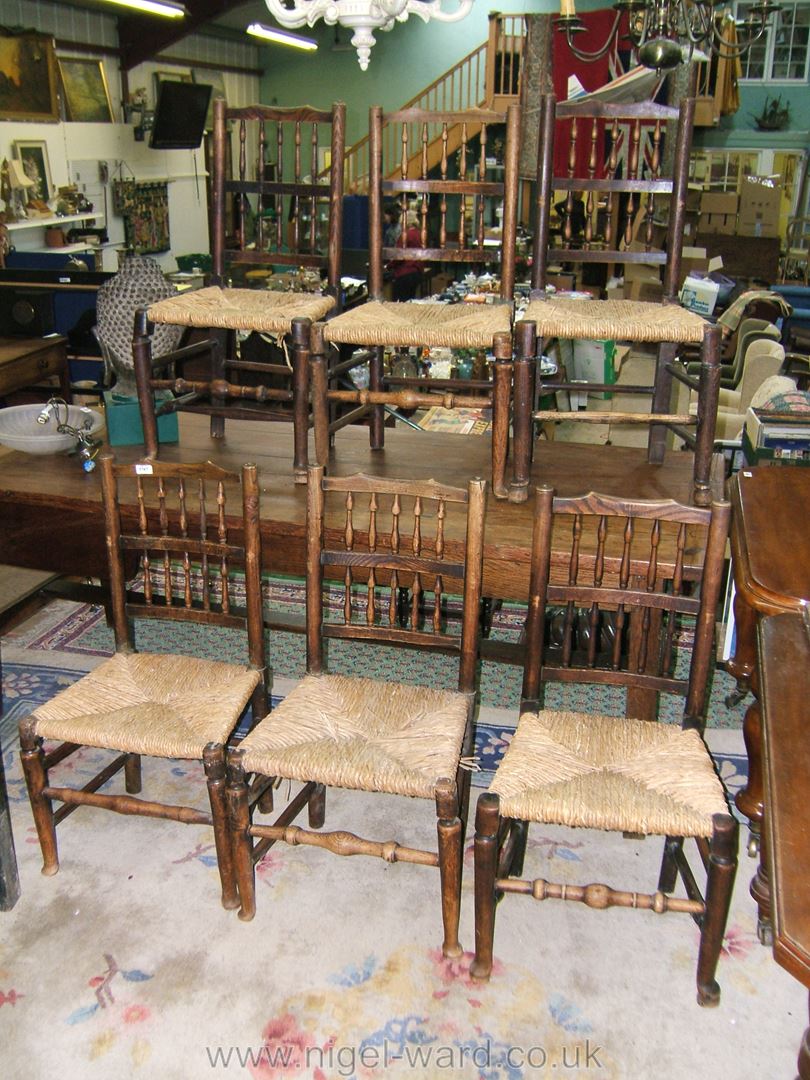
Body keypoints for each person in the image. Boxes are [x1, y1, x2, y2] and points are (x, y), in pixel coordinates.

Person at [388, 209, 423, 301]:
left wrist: (389, 266)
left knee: (400, 302)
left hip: (404, 273)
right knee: (410, 300)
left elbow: (399, 256)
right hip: (416, 272)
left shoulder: (405, 235)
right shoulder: (419, 234)